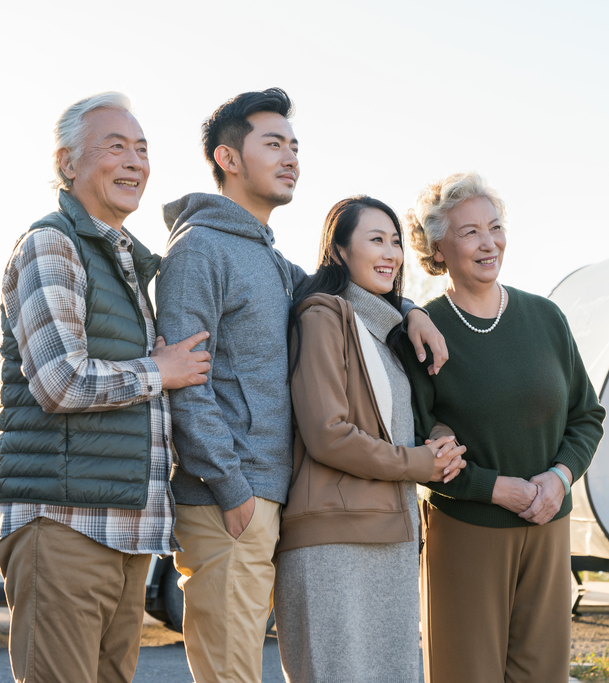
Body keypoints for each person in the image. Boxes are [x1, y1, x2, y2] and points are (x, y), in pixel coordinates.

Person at [155, 88, 448, 683]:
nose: (290, 157)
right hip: (229, 499)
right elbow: (185, 380)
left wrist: (411, 307)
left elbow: (344, 284)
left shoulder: (268, 259)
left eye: (294, 146)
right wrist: (232, 488)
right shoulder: (200, 250)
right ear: (228, 158)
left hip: (271, 498)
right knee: (231, 673)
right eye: (273, 144)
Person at [0, 92, 211, 683]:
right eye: (116, 147)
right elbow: (60, 382)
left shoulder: (121, 260)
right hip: (64, 527)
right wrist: (158, 372)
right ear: (67, 163)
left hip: (128, 535)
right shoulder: (51, 244)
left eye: (143, 149)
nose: (135, 161)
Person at [403, 172, 606, 683]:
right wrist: (495, 488)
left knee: (544, 675)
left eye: (494, 227)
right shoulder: (425, 330)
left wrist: (559, 478)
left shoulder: (546, 318)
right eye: (469, 232)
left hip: (548, 523)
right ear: (438, 248)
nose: (488, 242)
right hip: (466, 532)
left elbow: (587, 416)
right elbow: (415, 443)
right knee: (464, 674)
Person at [274, 196, 466, 683]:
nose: (392, 253)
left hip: (392, 537)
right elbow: (328, 435)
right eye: (375, 240)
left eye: (396, 241)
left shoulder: (387, 330)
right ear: (338, 251)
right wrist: (418, 464)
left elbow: (402, 423)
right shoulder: (322, 315)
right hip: (333, 543)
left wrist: (438, 442)